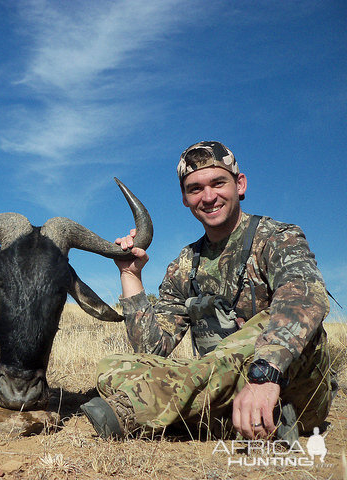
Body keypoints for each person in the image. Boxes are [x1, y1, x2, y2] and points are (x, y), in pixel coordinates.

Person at [81, 141, 333, 442]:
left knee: (271, 318)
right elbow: (151, 350)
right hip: (224, 389)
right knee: (113, 367)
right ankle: (232, 421)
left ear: (240, 184)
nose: (209, 196)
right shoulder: (183, 266)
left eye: (218, 183)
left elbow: (304, 298)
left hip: (289, 385)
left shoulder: (278, 238)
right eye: (195, 188)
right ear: (185, 199)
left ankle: (147, 408)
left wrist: (264, 374)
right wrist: (130, 274)